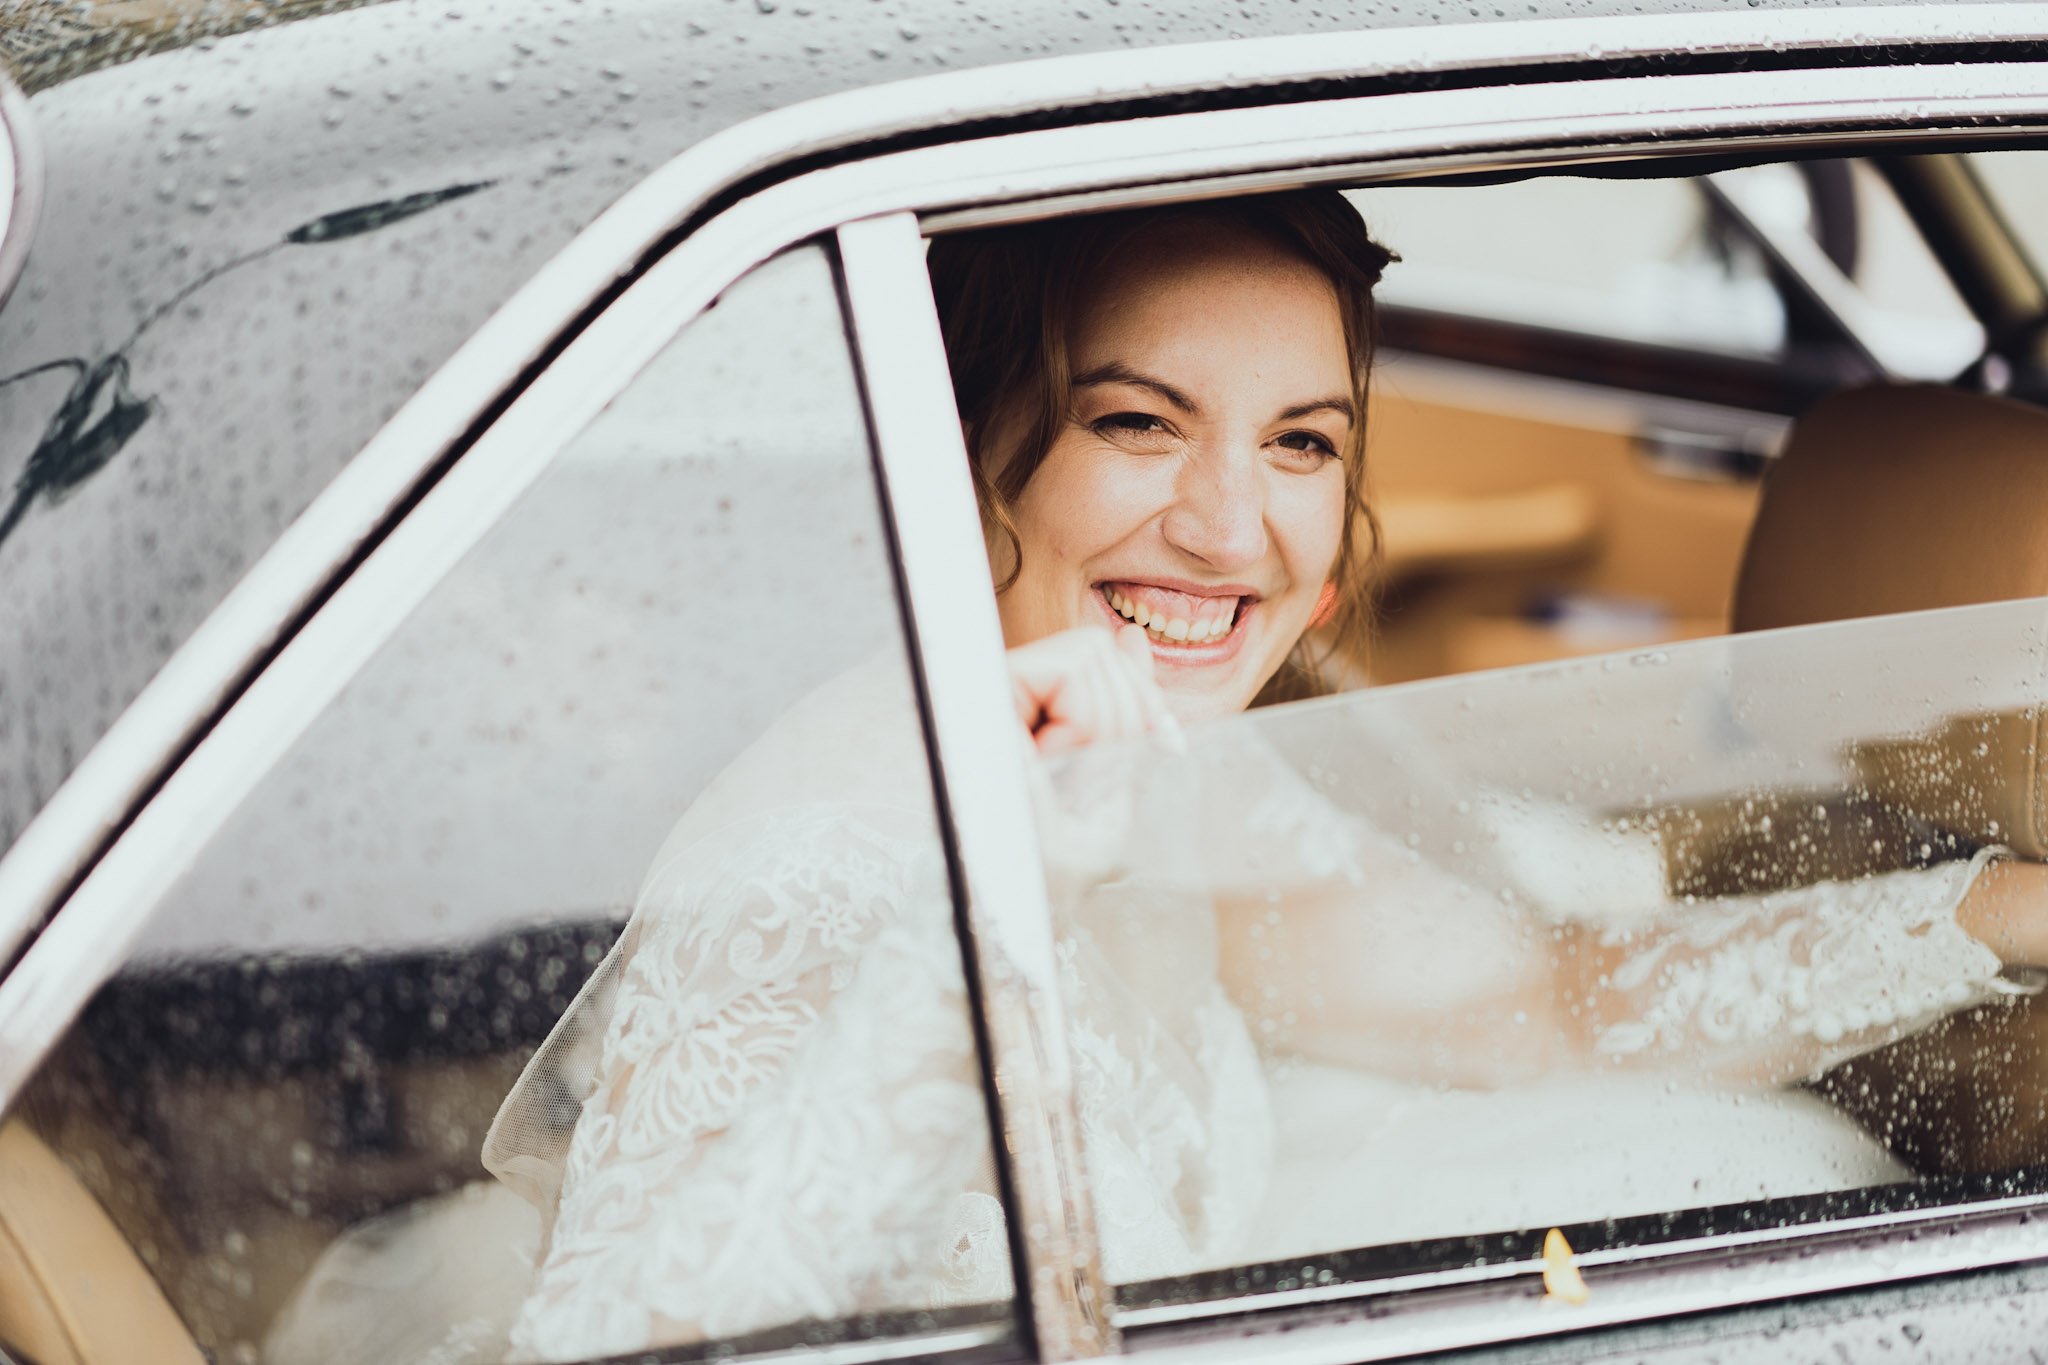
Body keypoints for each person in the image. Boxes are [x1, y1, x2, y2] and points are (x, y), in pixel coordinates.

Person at [470, 190, 2048, 1363]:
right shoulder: (824, 857)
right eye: (1137, 422)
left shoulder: (1170, 769)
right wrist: (985, 932)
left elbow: (1540, 999)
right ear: (968, 450)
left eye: (1301, 443)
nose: (1232, 532)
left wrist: (1987, 913)